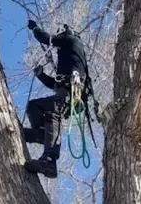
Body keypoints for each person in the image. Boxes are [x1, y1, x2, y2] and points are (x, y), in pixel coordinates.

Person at [23, 21, 87, 178]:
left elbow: (46, 39)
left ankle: (49, 160)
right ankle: (41, 133)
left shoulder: (71, 40)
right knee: (34, 106)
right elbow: (55, 84)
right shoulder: (68, 59)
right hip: (65, 91)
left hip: (72, 93)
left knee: (53, 112)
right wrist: (41, 75)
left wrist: (35, 28)